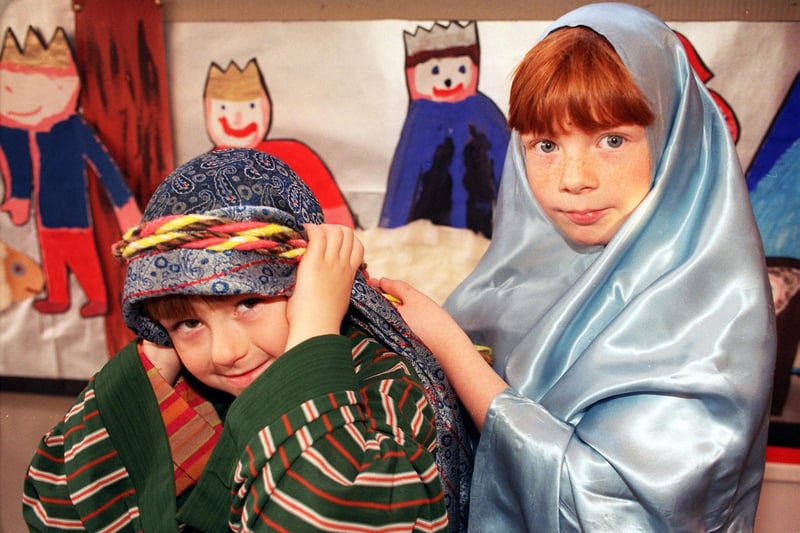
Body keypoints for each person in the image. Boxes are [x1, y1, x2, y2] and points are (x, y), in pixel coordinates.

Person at [380, 3, 777, 531]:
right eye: (545, 145)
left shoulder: (717, 311)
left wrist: (452, 350)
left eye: (612, 140)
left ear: (676, 140)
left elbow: (616, 510)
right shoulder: (512, 277)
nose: (573, 178)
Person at [22, 148, 472, 532]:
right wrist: (162, 332)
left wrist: (315, 327)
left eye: (249, 303)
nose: (225, 352)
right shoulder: (194, 387)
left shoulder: (388, 389)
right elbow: (55, 502)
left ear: (313, 285)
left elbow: (321, 514)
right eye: (191, 326)